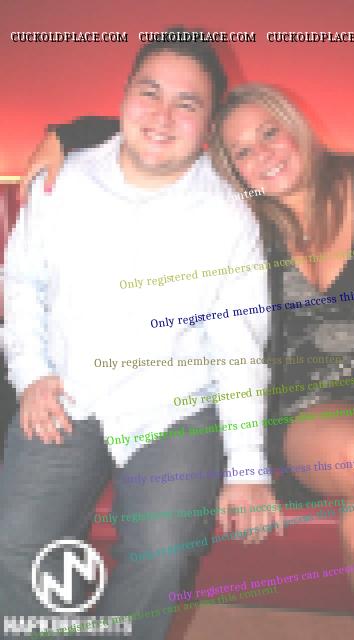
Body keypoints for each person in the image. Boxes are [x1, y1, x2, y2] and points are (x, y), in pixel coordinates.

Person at [33, 82, 354, 639]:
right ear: (230, 168)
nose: (262, 155)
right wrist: (69, 134)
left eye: (270, 133)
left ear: (297, 128)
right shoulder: (239, 222)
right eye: (242, 151)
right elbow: (163, 134)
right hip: (309, 414)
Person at [1, 32, 280, 639]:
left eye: (187, 103)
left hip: (174, 408)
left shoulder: (228, 216)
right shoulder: (62, 182)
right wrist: (32, 375)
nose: (162, 116)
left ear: (208, 124)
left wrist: (247, 467)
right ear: (124, 96)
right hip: (69, 392)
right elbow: (22, 281)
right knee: (14, 542)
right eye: (149, 93)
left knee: (162, 552)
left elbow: (238, 349)